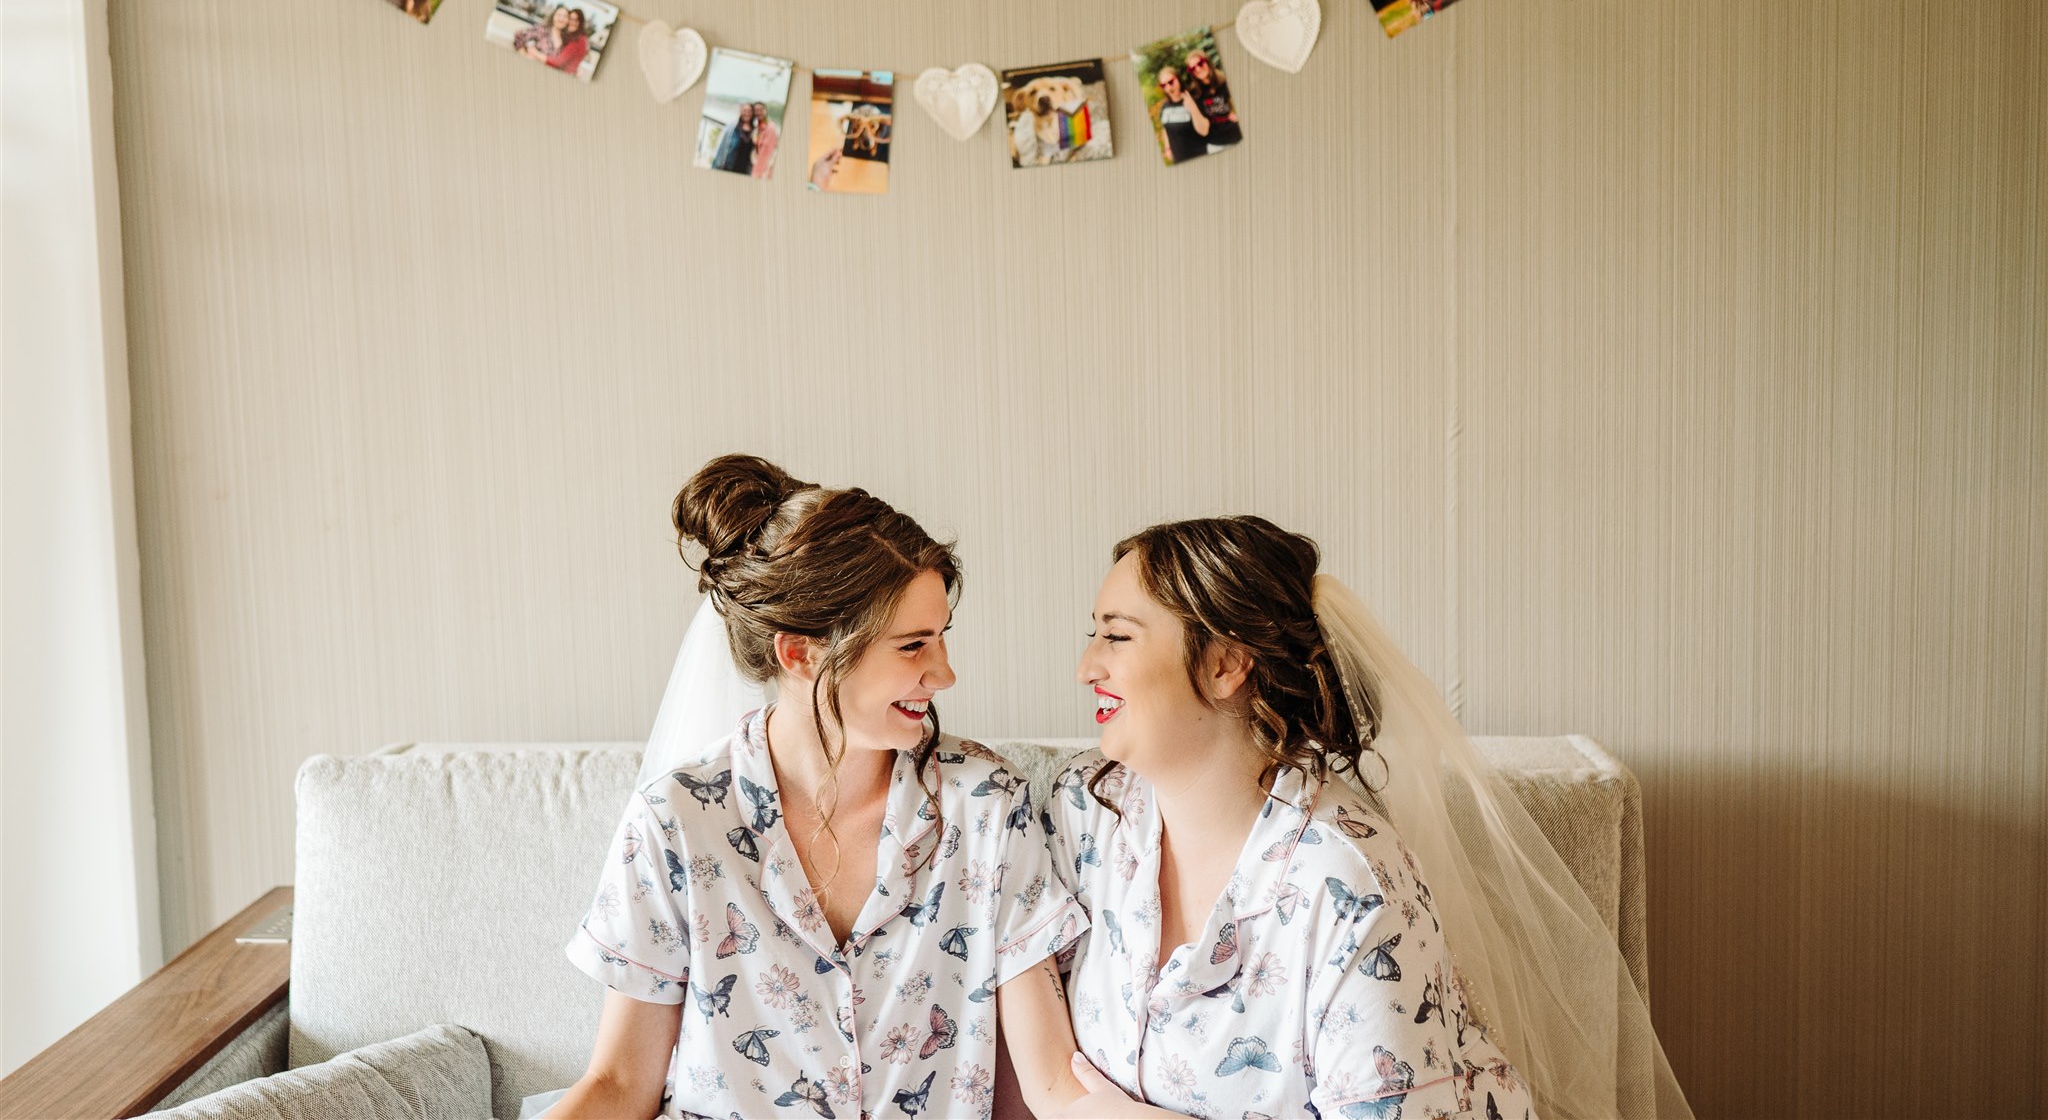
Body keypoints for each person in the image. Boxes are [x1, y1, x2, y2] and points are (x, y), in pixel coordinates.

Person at [1047, 517, 1695, 1120]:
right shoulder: (1086, 812)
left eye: (1117, 635)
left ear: (1225, 664)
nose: (1086, 667)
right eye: (1091, 634)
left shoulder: (1346, 880)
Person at [550, 456, 1093, 1120]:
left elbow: (1043, 1090)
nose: (944, 673)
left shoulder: (987, 809)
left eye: (942, 638)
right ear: (799, 653)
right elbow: (618, 1084)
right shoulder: (676, 821)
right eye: (912, 646)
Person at [1177, 49, 1240, 149]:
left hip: (1237, 136)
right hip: (1216, 144)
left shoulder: (1225, 80)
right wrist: (1192, 108)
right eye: (1192, 68)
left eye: (1200, 63)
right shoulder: (1194, 93)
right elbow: (1203, 130)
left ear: (1207, 62)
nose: (1197, 69)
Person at [711, 104, 755, 175]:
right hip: (729, 166)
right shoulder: (732, 127)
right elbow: (721, 146)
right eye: (744, 111)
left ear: (752, 113)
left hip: (744, 168)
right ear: (740, 112)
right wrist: (718, 163)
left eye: (749, 111)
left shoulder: (755, 131)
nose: (746, 113)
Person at [545, 8, 589, 75]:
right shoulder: (572, 36)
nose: (572, 22)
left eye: (576, 20)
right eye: (570, 19)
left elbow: (558, 62)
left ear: (580, 23)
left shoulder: (579, 40)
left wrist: (535, 53)